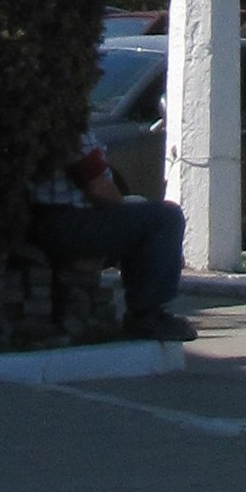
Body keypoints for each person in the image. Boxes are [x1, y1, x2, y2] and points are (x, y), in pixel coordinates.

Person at [29, 132, 191, 341]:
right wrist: (125, 210)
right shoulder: (67, 129)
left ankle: (144, 308)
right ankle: (147, 314)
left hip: (49, 219)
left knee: (141, 213)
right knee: (166, 217)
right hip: (62, 220)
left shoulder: (46, 124)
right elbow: (97, 188)